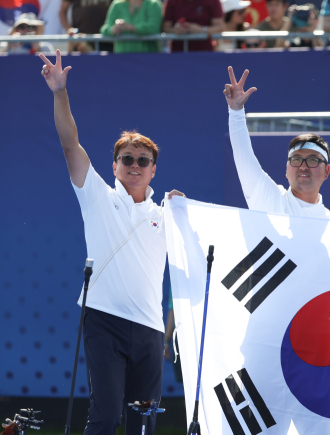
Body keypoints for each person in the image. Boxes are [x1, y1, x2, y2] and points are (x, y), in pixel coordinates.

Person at [39, 50, 184, 435]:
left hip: (151, 331)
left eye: (142, 160)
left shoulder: (170, 213)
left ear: (153, 169)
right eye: (126, 159)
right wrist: (59, 92)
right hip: (104, 321)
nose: (134, 165)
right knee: (105, 418)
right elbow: (71, 145)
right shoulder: (98, 195)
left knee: (142, 425)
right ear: (114, 165)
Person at [223, 66, 330, 223]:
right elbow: (243, 157)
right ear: (286, 169)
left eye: (313, 160)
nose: (303, 166)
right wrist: (236, 111)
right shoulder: (269, 199)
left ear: (327, 171)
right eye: (296, 159)